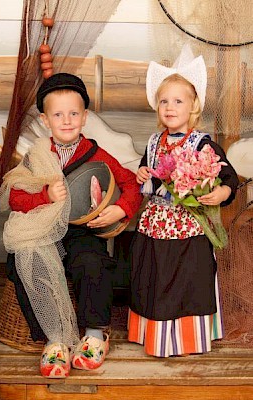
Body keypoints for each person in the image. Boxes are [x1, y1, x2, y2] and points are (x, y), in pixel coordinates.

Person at [0, 72, 143, 377]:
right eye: (58, 114)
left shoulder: (96, 154)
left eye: (74, 113)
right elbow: (15, 198)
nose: (67, 120)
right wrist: (44, 195)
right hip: (43, 229)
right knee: (23, 262)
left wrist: (120, 209)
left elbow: (131, 184)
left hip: (79, 229)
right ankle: (54, 339)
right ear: (45, 120)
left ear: (85, 116)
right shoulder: (36, 156)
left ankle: (94, 332)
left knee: (92, 261)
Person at [127, 45, 239, 357]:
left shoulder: (202, 143)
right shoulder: (153, 141)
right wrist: (141, 175)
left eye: (178, 101)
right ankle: (155, 332)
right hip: (155, 224)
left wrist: (223, 192)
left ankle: (189, 335)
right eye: (164, 101)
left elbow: (229, 176)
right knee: (154, 275)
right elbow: (146, 169)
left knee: (187, 278)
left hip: (189, 227)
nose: (169, 107)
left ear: (193, 107)